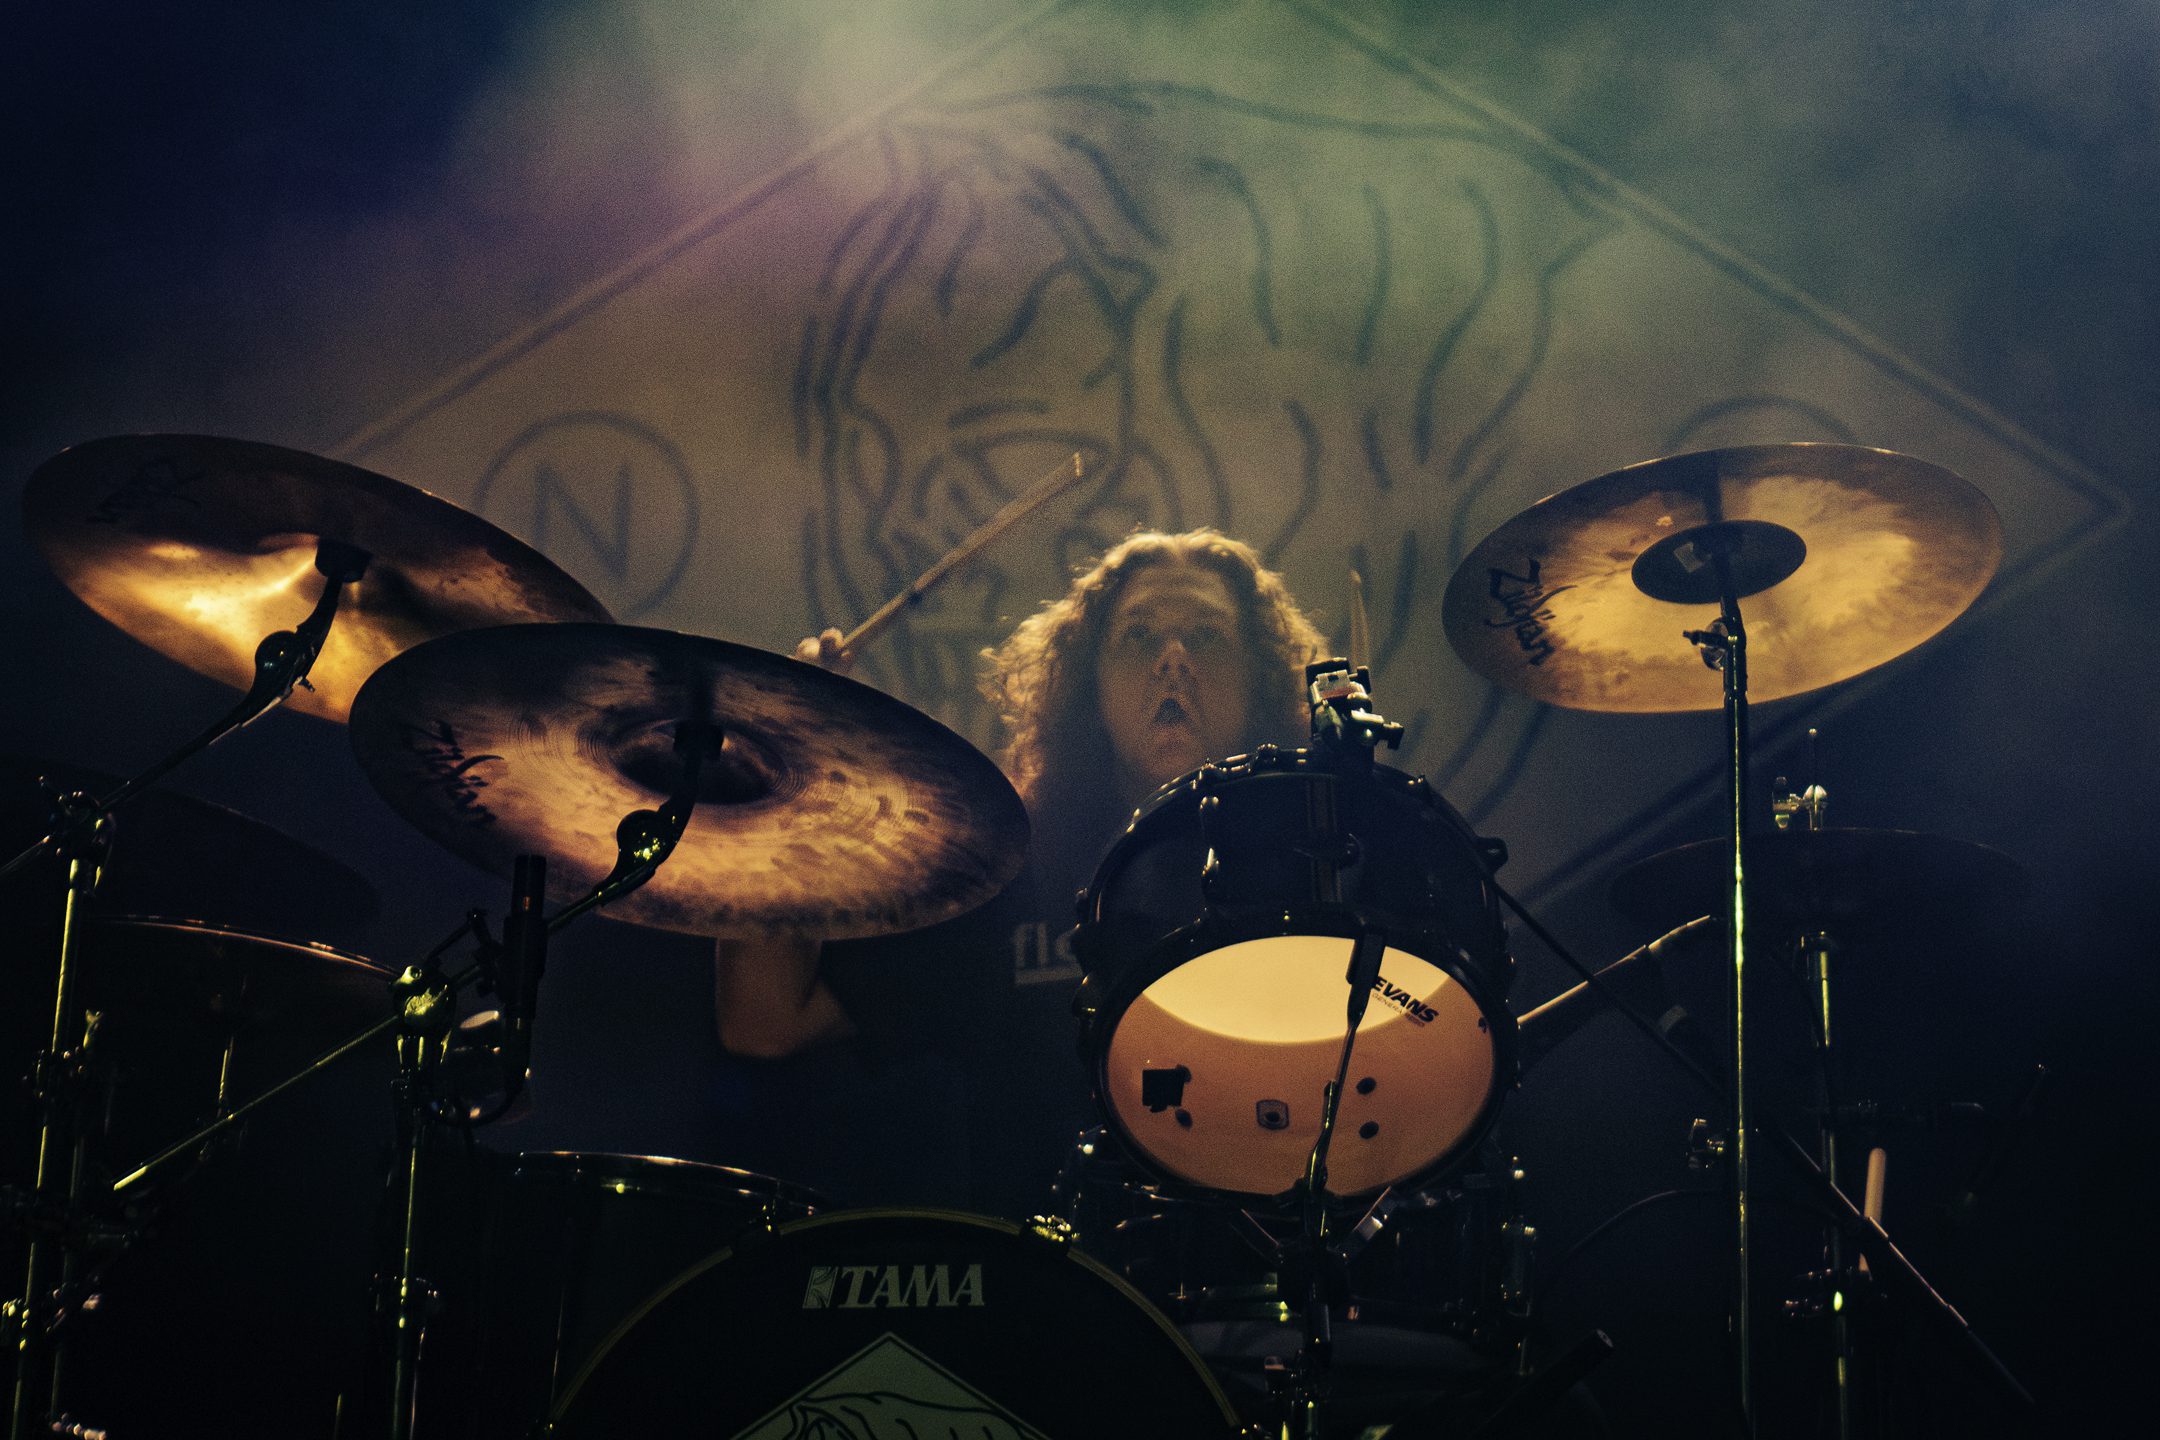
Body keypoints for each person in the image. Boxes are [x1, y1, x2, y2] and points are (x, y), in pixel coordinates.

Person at [712, 528, 1328, 1215]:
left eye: (1207, 637)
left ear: (1262, 679)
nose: (1172, 660)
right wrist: (783, 758)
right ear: (1090, 691)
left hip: (1274, 1290)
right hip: (1048, 1291)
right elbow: (762, 1022)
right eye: (1138, 637)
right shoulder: (1006, 871)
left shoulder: (1329, 864)